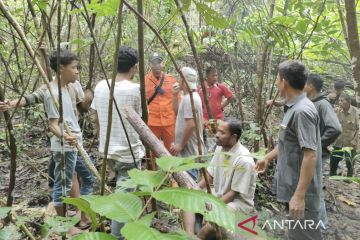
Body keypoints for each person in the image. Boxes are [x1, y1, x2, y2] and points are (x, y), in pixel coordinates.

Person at [255, 60, 323, 240]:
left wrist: (299, 196)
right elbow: (288, 142)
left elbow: (310, 154)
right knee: (297, 234)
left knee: (306, 235)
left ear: (284, 82)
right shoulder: (293, 108)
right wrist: (268, 158)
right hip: (292, 187)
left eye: (277, 79)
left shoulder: (302, 111)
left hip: (301, 193)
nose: (277, 83)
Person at [91, 46, 144, 239]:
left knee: (121, 195)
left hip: (107, 151)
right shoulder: (136, 89)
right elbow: (141, 121)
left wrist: (103, 138)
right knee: (124, 202)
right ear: (135, 67)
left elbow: (96, 119)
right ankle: (117, 236)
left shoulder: (100, 86)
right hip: (128, 153)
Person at [43, 49, 94, 232]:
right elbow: (53, 125)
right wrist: (65, 136)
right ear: (62, 68)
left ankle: (83, 215)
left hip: (74, 144)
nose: (77, 71)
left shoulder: (68, 87)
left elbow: (79, 109)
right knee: (62, 187)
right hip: (64, 147)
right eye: (74, 68)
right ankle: (65, 227)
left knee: (88, 177)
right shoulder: (53, 93)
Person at [185, 119, 257, 238]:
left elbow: (233, 194)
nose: (217, 135)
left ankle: (199, 237)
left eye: (222, 133)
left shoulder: (244, 160)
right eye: (218, 131)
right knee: (188, 198)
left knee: (214, 219)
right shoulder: (220, 147)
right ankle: (189, 234)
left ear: (233, 137)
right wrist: (195, 190)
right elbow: (210, 176)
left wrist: (213, 209)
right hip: (218, 196)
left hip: (237, 204)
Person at [303, 73, 342, 229]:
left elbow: (335, 128)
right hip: (308, 154)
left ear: (311, 86)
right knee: (308, 187)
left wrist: (317, 144)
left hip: (316, 154)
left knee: (314, 188)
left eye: (304, 83)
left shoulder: (323, 104)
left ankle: (321, 225)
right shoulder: (310, 102)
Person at [170, 67, 205, 181]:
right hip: (187, 149)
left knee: (188, 182)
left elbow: (190, 125)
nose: (177, 81)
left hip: (189, 151)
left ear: (183, 81)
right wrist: (175, 96)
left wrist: (180, 145)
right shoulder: (187, 97)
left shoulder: (191, 99)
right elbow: (177, 111)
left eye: (180, 78)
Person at [144, 53, 179, 169]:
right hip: (152, 122)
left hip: (169, 121)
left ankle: (172, 175)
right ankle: (153, 173)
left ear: (163, 64)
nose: (156, 65)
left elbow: (177, 99)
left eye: (159, 62)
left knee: (171, 149)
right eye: (154, 63)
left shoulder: (171, 80)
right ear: (149, 65)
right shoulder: (145, 80)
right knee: (153, 150)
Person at [330, 93, 359, 177]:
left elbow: (358, 129)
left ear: (349, 102)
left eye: (342, 101)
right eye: (339, 100)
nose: (340, 102)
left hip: (350, 142)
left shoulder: (356, 112)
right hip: (338, 141)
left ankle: (349, 176)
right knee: (334, 159)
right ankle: (332, 174)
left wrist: (355, 140)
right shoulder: (336, 111)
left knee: (349, 160)